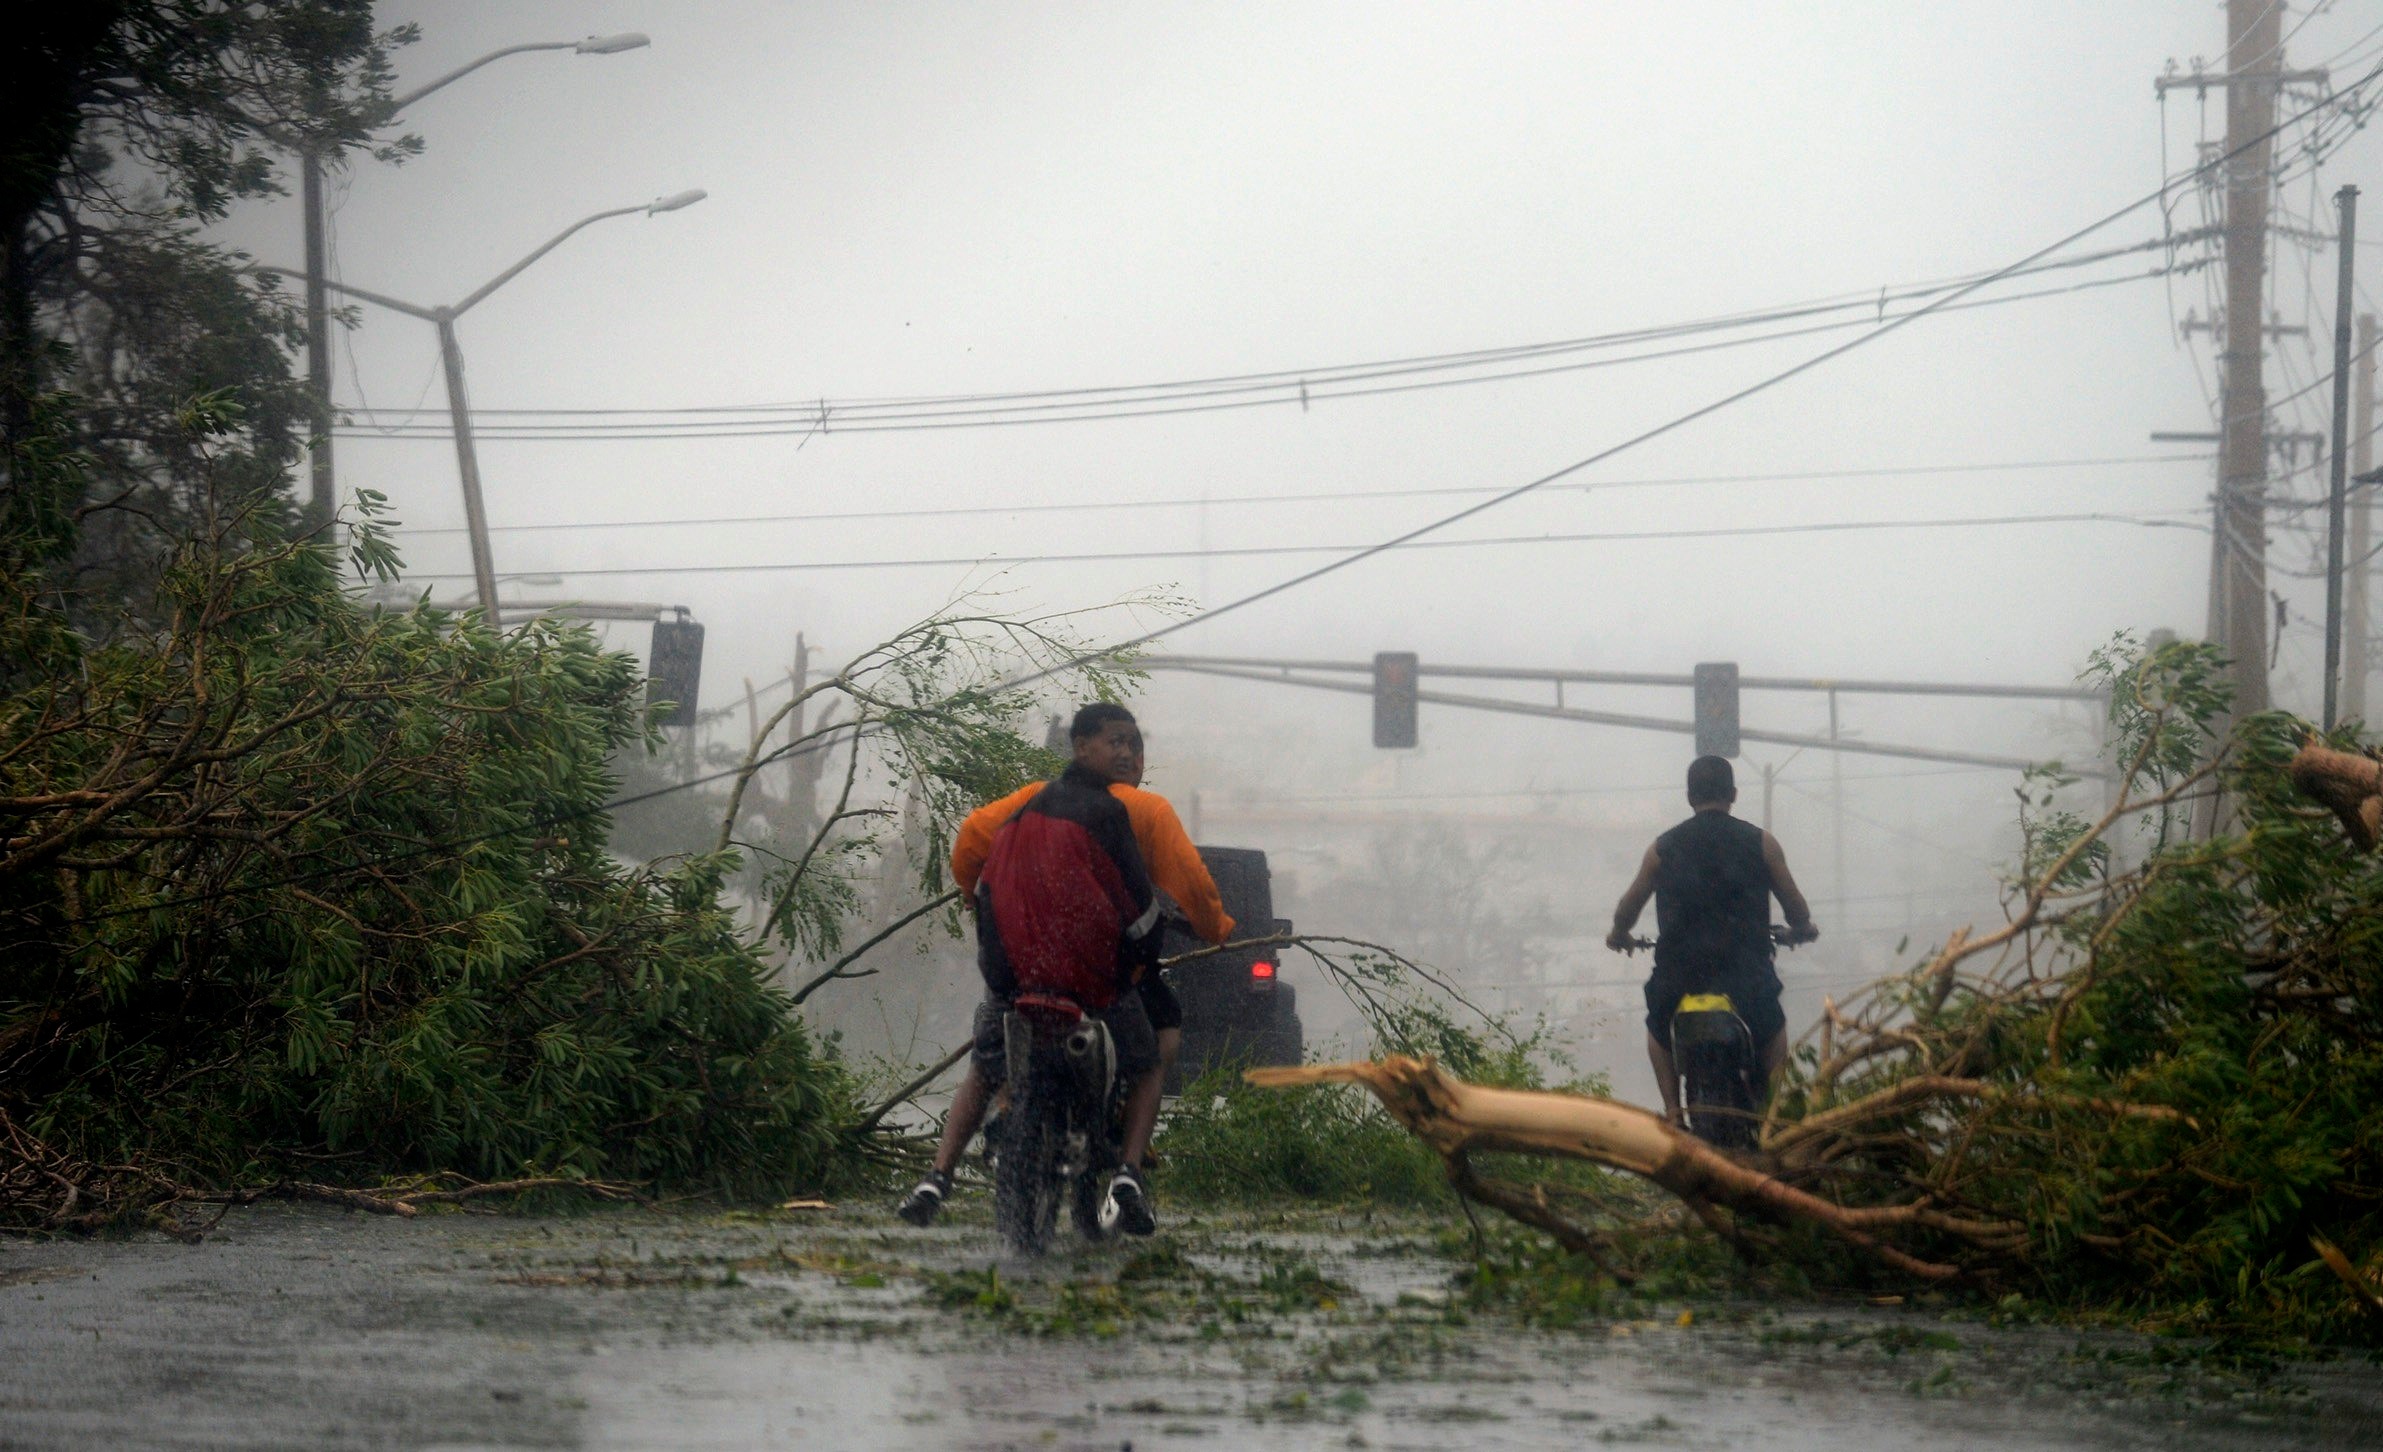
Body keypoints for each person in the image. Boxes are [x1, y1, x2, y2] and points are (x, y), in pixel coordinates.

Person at [897, 702, 1234, 1233]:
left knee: (987, 1063)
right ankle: (1128, 1170)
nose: (1126, 752)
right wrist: (1216, 930)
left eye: (1134, 743)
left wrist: (971, 895)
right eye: (1117, 742)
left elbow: (970, 842)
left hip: (1022, 974)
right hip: (1097, 977)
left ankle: (943, 1170)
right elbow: (1189, 888)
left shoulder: (1033, 799)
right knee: (1157, 1049)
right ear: (1083, 747)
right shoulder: (1144, 811)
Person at [1605, 754, 1817, 1126]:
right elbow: (1796, 908)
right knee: (1774, 1032)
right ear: (1733, 794)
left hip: (1679, 978)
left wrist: (1619, 935)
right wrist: (1801, 929)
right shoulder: (1762, 844)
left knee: (1657, 1030)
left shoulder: (1661, 849)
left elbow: (1627, 908)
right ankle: (1771, 1119)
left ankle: (1673, 1114)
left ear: (1689, 797)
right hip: (1745, 978)